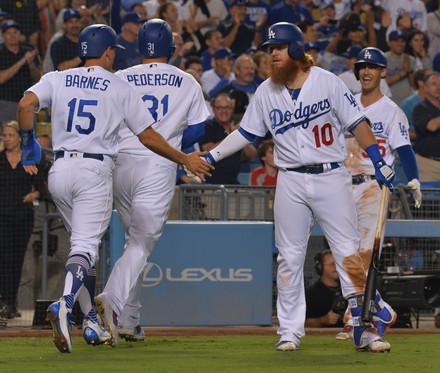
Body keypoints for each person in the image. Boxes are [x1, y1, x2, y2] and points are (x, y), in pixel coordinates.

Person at [199, 22, 396, 353]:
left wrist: (378, 159)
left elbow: (358, 123)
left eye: (278, 48)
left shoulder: (326, 82)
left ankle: (363, 327)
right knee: (289, 257)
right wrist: (212, 154)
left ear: (295, 50)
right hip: (289, 178)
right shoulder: (266, 91)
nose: (272, 54)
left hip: (331, 175)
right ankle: (289, 330)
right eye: (269, 50)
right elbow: (247, 133)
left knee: (348, 252)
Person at [17, 23, 212, 353]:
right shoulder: (129, 83)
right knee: (116, 245)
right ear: (108, 51)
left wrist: (27, 141)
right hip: (116, 165)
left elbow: (25, 104)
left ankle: (103, 320)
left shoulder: (77, 76)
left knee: (87, 245)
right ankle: (80, 303)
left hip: (71, 166)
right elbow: (161, 134)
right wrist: (183, 157)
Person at [94, 18, 211, 345]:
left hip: (120, 164)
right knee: (142, 244)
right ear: (171, 49)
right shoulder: (186, 80)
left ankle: (130, 320)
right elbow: (200, 129)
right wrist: (174, 144)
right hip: (158, 164)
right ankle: (113, 300)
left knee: (136, 246)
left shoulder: (120, 76)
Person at [337, 47, 422, 341]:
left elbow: (403, 149)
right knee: (344, 252)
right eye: (362, 66)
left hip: (375, 185)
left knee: (363, 252)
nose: (366, 71)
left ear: (383, 72)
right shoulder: (346, 103)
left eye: (372, 67)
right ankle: (380, 309)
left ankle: (356, 318)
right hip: (343, 184)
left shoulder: (391, 110)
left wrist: (413, 178)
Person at [0, 121, 44, 320]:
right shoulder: (0, 160)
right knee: (4, 259)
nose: (7, 139)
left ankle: (10, 302)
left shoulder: (30, 160)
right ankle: (4, 302)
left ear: (19, 137)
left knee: (17, 260)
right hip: (2, 216)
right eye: (5, 135)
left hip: (22, 217)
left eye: (10, 135)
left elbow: (41, 185)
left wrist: (35, 195)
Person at [199, 92, 256, 184]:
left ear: (232, 108)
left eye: (227, 108)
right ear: (213, 109)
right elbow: (207, 150)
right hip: (211, 185)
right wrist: (231, 136)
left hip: (233, 184)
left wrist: (240, 138)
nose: (224, 111)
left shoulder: (237, 127)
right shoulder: (207, 126)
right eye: (220, 108)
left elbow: (252, 155)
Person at [0, 20, 41, 125]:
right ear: (2, 35)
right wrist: (22, 61)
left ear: (19, 34)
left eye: (15, 32)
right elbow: (1, 78)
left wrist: (31, 64)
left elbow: (37, 78)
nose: (12, 36)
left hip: (27, 102)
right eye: (9, 33)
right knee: (6, 138)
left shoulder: (29, 50)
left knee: (29, 138)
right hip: (5, 102)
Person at [305, 247, 347, 328]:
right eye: (332, 264)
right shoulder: (310, 294)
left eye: (338, 264)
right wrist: (323, 320)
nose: (336, 267)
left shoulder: (348, 291)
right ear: (320, 268)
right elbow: (302, 323)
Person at [413, 72, 440, 181]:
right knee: (425, 197)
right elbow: (432, 126)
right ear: (425, 87)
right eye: (434, 84)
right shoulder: (420, 108)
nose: (438, 87)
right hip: (428, 164)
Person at [384, 30, 416, 107]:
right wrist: (402, 73)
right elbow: (382, 84)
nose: (400, 44)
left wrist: (409, 70)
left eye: (402, 41)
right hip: (390, 103)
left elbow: (414, 86)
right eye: (396, 41)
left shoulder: (410, 59)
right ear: (389, 43)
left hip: (407, 102)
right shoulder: (383, 58)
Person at [400, 67, 431, 143]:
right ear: (420, 83)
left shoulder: (437, 102)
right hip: (416, 150)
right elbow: (400, 130)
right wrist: (425, 137)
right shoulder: (408, 104)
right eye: (430, 78)